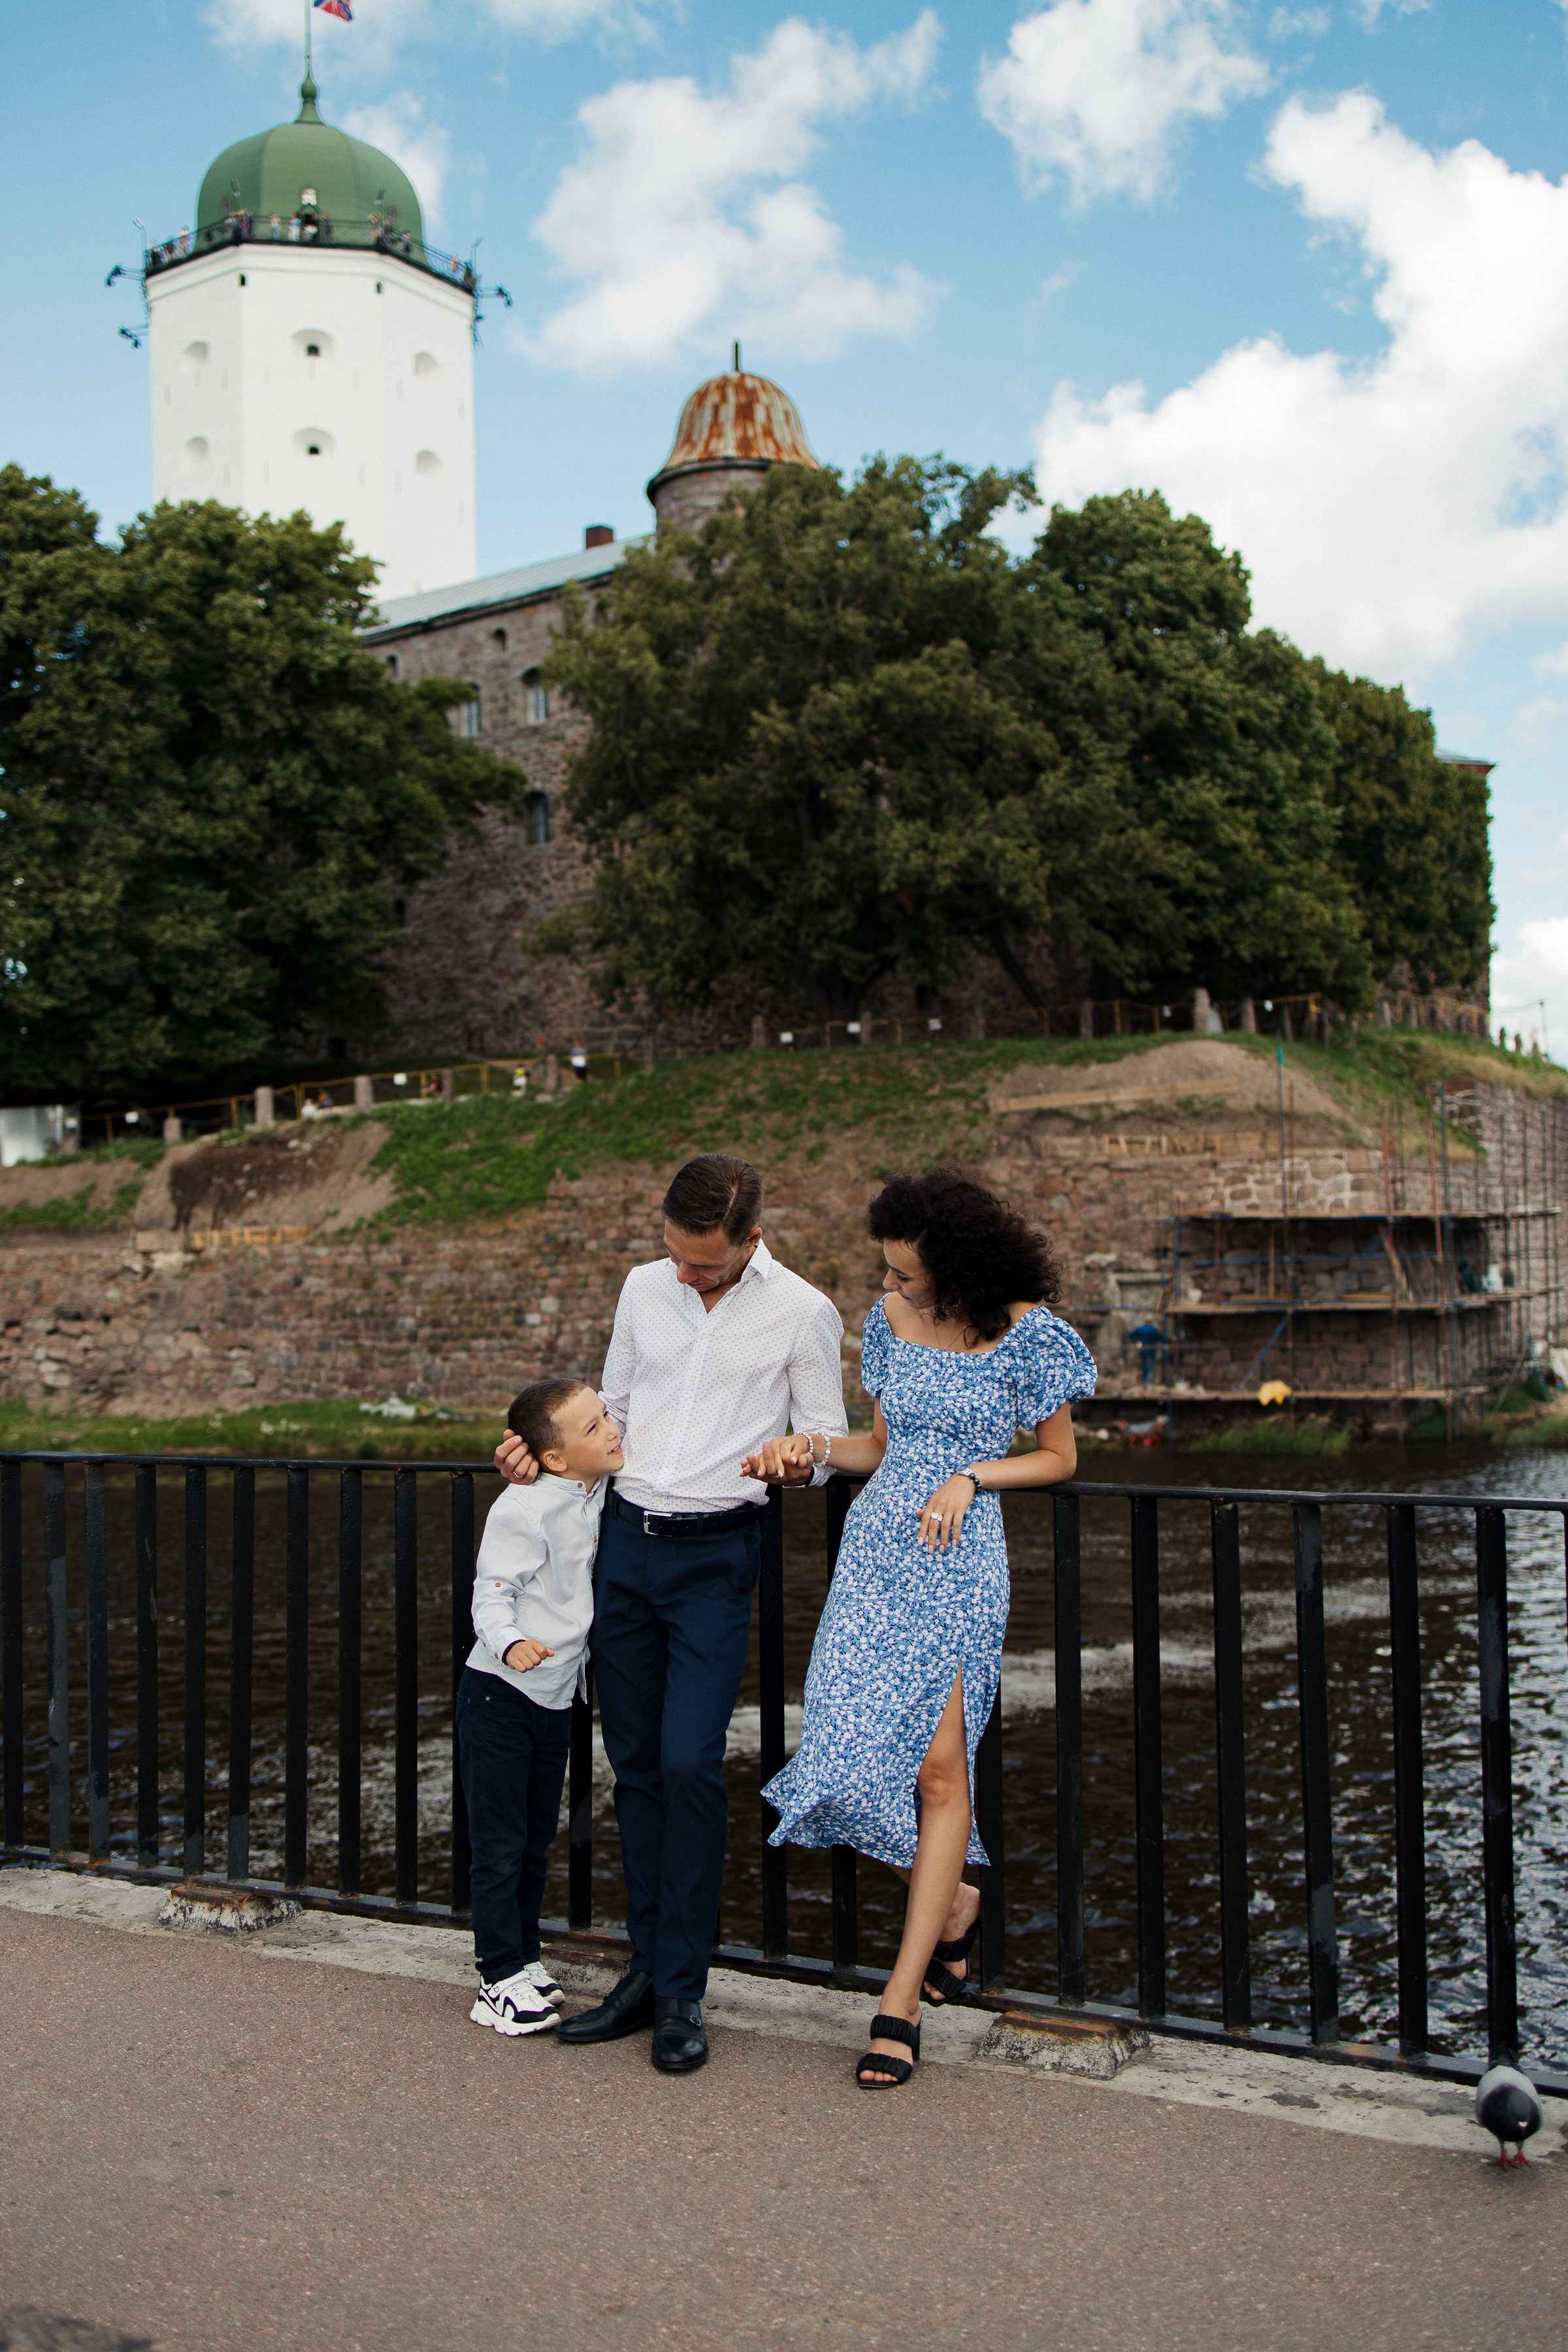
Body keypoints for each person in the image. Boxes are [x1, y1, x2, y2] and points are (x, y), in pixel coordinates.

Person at [494, 1153, 846, 2074]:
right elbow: (608, 1409)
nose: (683, 1274)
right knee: (638, 1766)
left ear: (752, 1240)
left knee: (690, 1763)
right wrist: (537, 1452)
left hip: (716, 1559)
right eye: (675, 1254)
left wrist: (797, 1458)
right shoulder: (642, 1287)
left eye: (704, 1262)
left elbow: (829, 1443)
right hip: (623, 1548)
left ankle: (684, 1988)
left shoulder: (804, 1311)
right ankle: (646, 1974)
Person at [753, 1168, 1094, 2089]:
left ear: (959, 1264)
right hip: (875, 1556)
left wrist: (975, 1474)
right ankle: (953, 1906)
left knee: (940, 1774)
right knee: (839, 1759)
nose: (891, 1284)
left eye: (906, 1272)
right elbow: (876, 1448)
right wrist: (808, 1450)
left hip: (958, 1558)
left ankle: (899, 2003)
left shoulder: (1031, 1333)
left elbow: (1059, 1458)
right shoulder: (889, 1322)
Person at [461, 1377, 622, 2038]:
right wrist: (511, 1642)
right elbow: (491, 1591)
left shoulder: (596, 1488)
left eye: (606, 1416)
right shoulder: (523, 1508)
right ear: (554, 1457)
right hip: (500, 1693)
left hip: (554, 1697)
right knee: (499, 1844)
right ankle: (496, 1978)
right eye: (593, 1428)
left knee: (532, 1840)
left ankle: (523, 1957)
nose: (612, 1430)